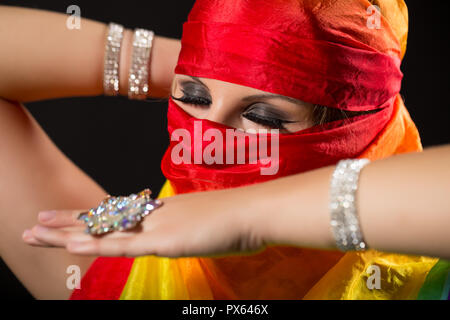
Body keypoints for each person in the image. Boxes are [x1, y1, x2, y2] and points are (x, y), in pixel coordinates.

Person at [0, 1, 448, 300]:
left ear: (360, 134)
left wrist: (243, 215)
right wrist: (225, 57)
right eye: (192, 97)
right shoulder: (117, 271)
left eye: (265, 118)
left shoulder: (431, 285)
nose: (204, 135)